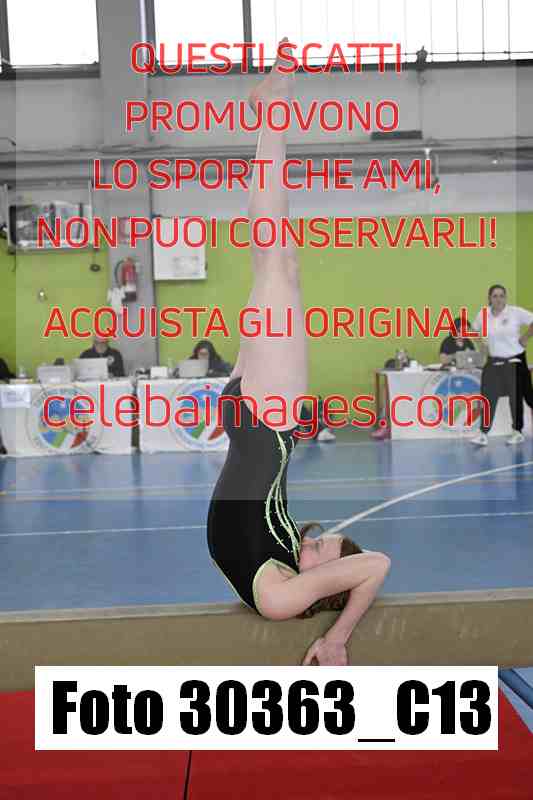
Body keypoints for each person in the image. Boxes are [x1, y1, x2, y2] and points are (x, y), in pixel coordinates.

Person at [206, 40, 390, 667]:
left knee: (276, 258)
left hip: (265, 422)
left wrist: (337, 637)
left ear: (326, 585)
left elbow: (377, 564)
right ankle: (271, 109)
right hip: (255, 423)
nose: (317, 541)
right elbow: (354, 561)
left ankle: (273, 107)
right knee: (278, 258)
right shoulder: (286, 564)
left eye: (324, 549)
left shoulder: (284, 597)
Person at [470, 284, 533, 446]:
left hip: (514, 360)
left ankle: (517, 432)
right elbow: (473, 329)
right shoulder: (483, 314)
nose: (498, 299)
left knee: (515, 398)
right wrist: (481, 345)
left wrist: (526, 337)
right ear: (489, 298)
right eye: (495, 296)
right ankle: (483, 434)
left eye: (501, 296)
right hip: (493, 360)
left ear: (505, 298)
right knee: (487, 397)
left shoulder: (515, 312)